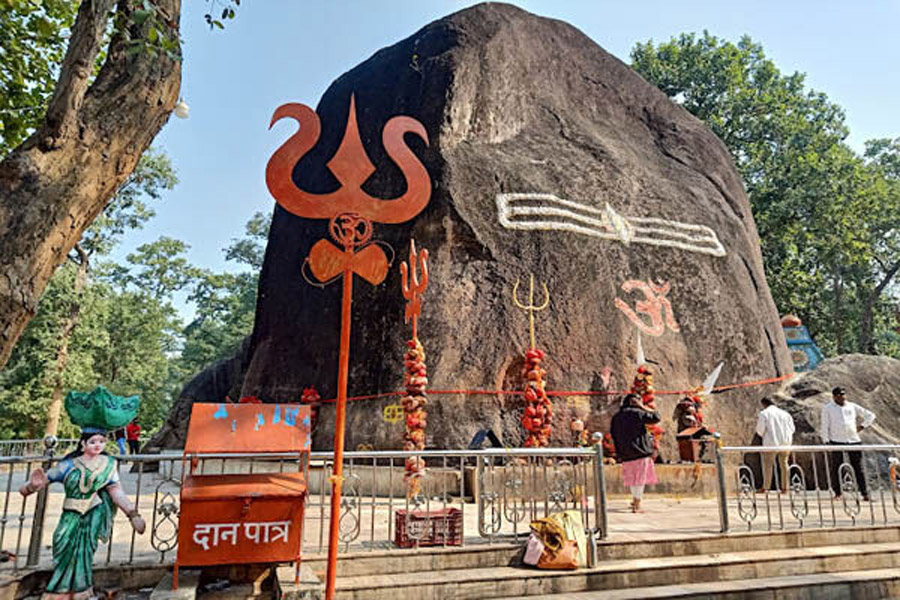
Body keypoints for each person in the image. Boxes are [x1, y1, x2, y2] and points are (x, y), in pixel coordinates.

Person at [20, 427, 145, 599]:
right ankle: (59, 589)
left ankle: (81, 590)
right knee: (62, 543)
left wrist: (133, 514)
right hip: (70, 513)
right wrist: (31, 486)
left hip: (94, 512)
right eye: (93, 442)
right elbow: (41, 481)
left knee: (84, 552)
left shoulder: (108, 465)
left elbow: (116, 492)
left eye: (101, 441)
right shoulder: (68, 464)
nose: (97, 445)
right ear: (83, 443)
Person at [820, 386, 875, 501]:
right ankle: (838, 493)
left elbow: (870, 415)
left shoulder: (852, 406)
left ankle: (865, 493)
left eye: (844, 394)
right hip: (836, 440)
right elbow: (825, 425)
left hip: (853, 440)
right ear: (834, 397)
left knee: (858, 468)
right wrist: (826, 441)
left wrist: (861, 426)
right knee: (836, 467)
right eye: (840, 395)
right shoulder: (828, 408)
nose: (842, 397)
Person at [611, 393, 661, 513]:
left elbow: (613, 433)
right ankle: (637, 504)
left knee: (632, 478)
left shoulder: (617, 416)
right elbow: (656, 417)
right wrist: (643, 406)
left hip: (625, 452)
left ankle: (635, 500)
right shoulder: (637, 413)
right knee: (639, 479)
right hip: (639, 451)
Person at [755, 397, 795, 492]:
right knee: (784, 464)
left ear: (764, 404)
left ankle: (766, 487)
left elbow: (760, 430)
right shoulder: (785, 414)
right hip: (785, 442)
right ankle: (785, 487)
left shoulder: (764, 414)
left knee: (768, 465)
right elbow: (792, 429)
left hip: (771, 443)